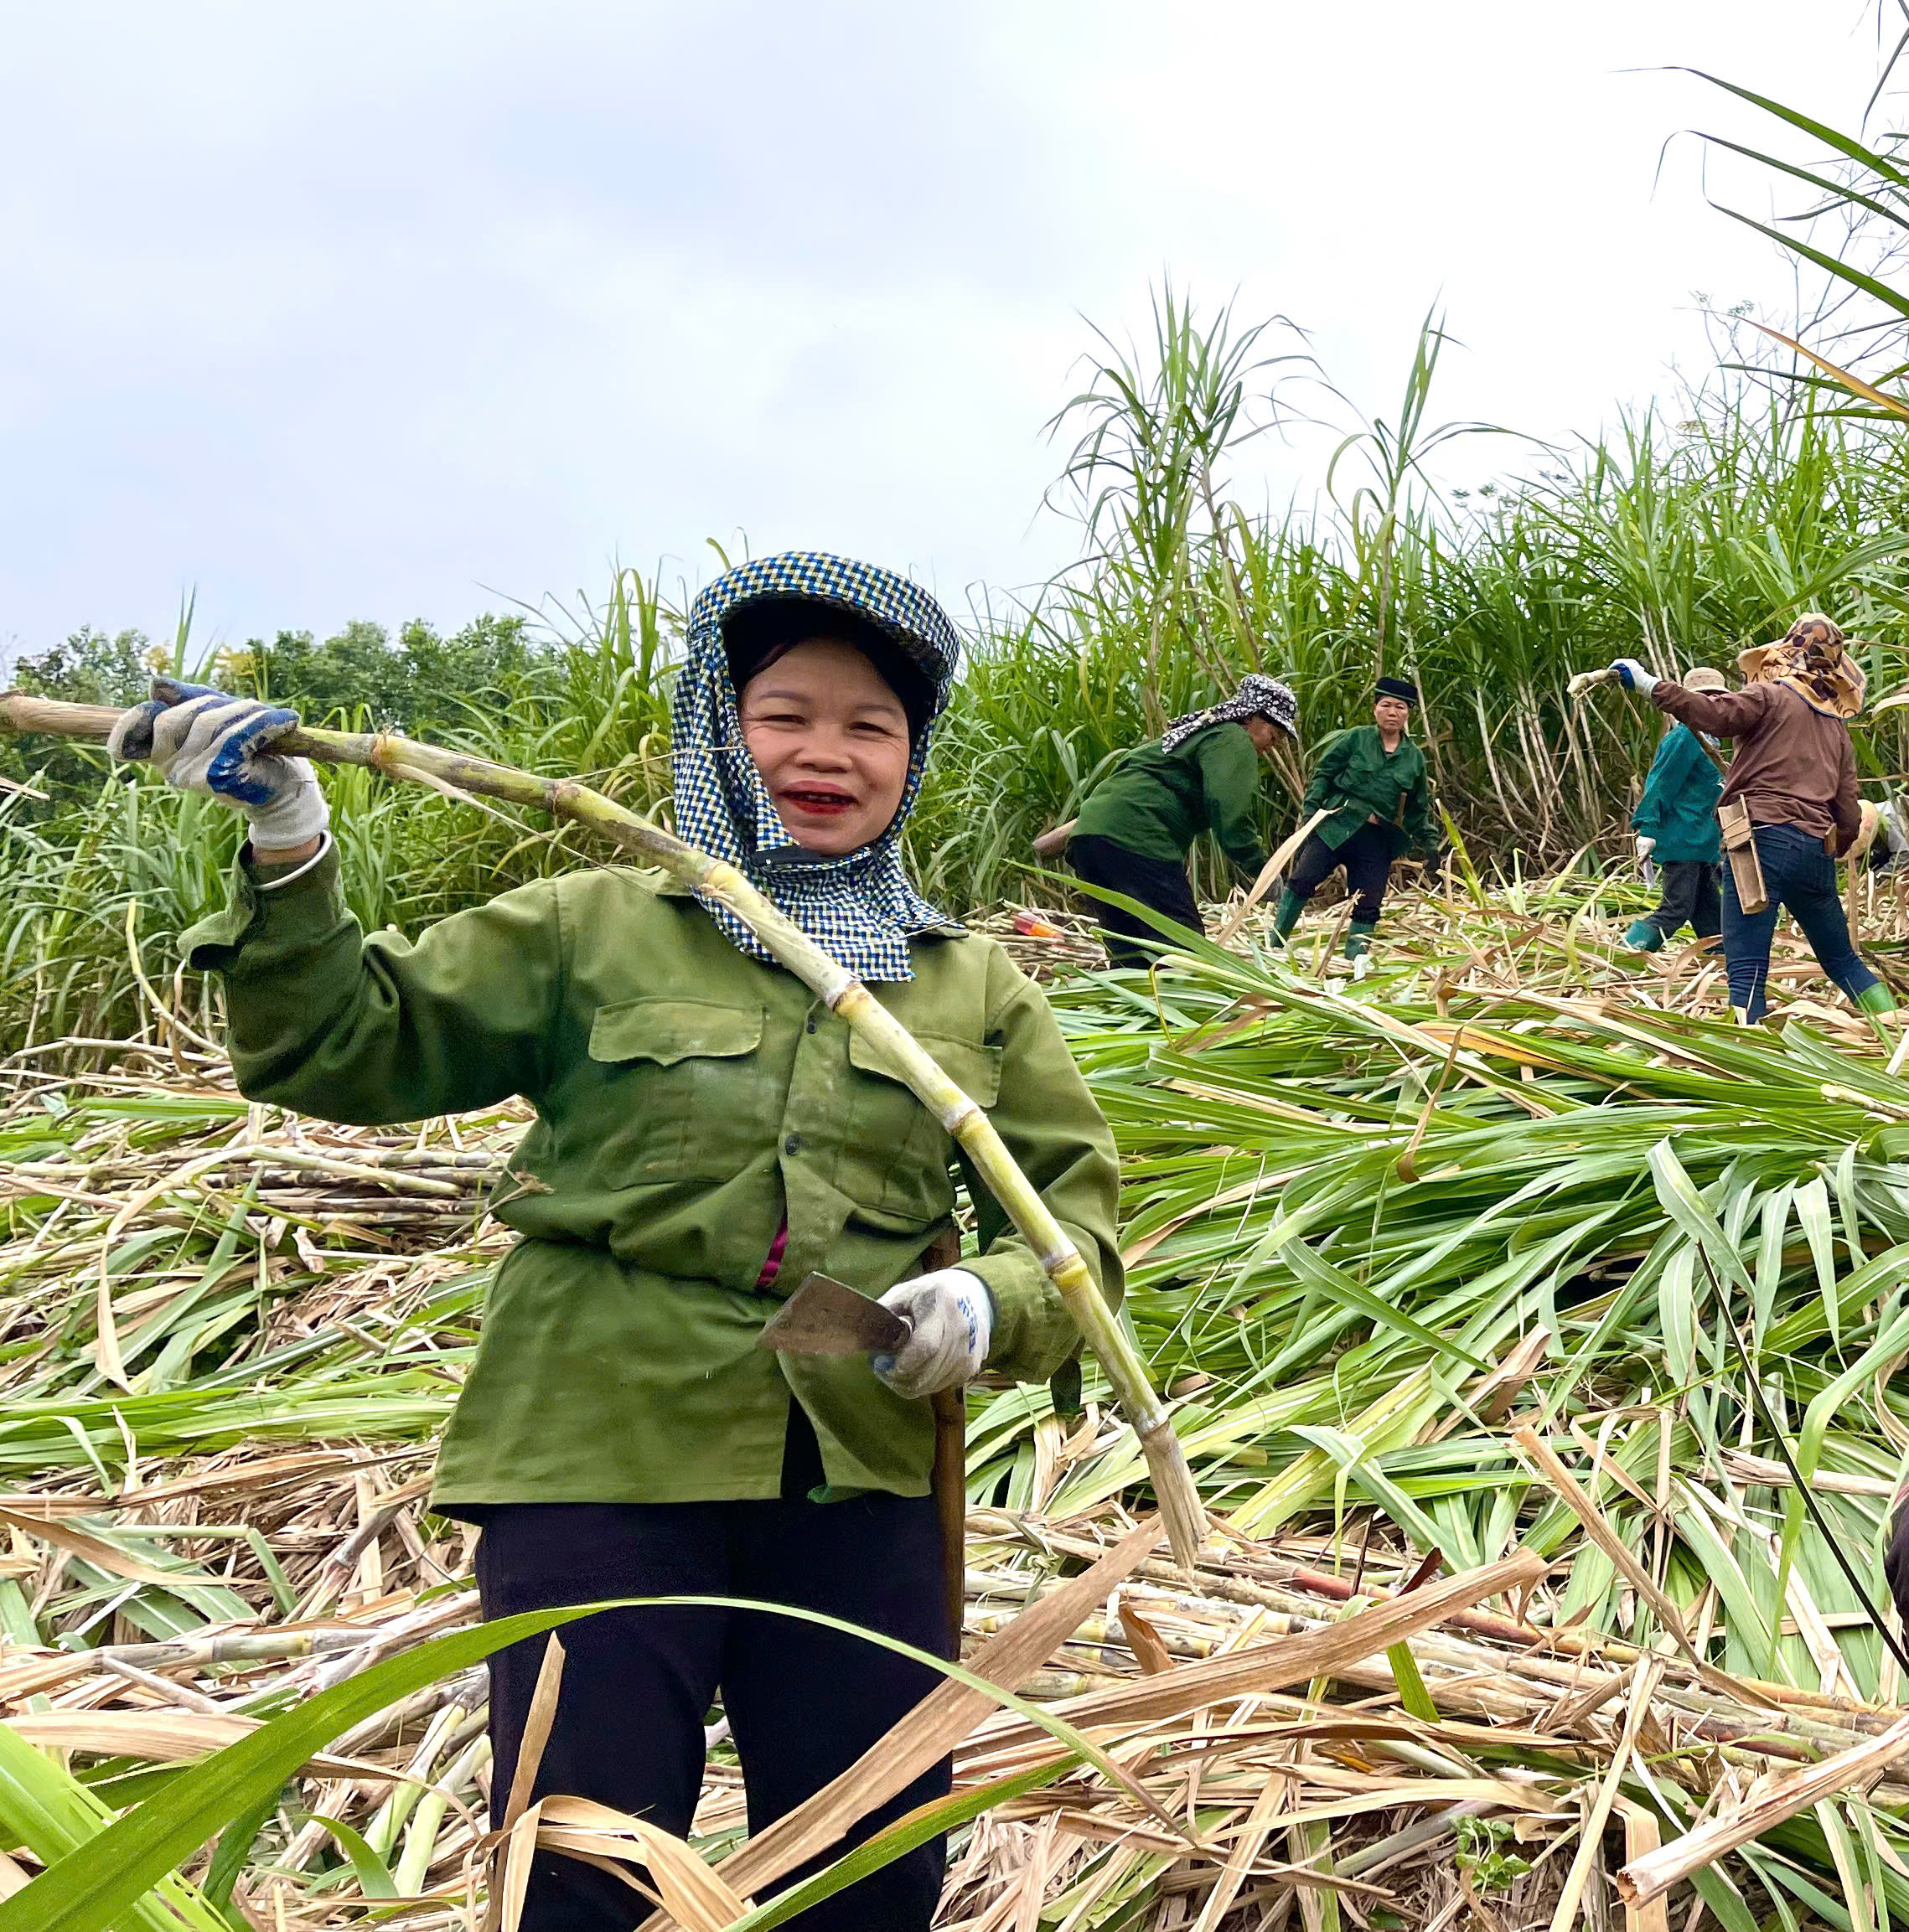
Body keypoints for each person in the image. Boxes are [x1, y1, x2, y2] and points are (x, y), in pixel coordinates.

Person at [109, 553, 1123, 1932]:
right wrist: (292, 847)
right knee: (587, 1865)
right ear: (718, 722)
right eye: (785, 715)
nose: (825, 753)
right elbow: (341, 1048)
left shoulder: (968, 979)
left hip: (860, 1468)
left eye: (869, 725)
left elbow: (1072, 1224)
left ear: (911, 755)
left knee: (870, 1861)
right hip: (597, 1443)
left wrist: (993, 1302)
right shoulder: (595, 929)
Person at [1609, 613, 1895, 1025]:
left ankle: (1750, 1062)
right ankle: (1894, 1034)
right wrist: (1832, 849)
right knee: (1842, 960)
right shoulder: (1836, 729)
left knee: (1746, 969)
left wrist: (1649, 684)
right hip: (1814, 853)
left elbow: (1715, 718)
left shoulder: (1770, 696)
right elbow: (1848, 814)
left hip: (1760, 844)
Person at [1068, 673, 1300, 968]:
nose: (1272, 746)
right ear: (1254, 717)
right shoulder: (1232, 738)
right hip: (1139, 838)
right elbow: (1229, 813)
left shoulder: (1190, 736)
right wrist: (1264, 871)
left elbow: (1126, 767)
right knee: (1183, 951)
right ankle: (1185, 1009)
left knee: (1131, 952)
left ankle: (1137, 1008)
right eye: (1274, 736)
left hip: (1089, 839)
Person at [1275, 675, 1436, 958]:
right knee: (1301, 881)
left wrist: (1431, 846)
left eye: (1400, 707)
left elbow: (1418, 810)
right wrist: (1310, 815)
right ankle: (1273, 947)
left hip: (1376, 839)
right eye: (1386, 705)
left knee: (1368, 904)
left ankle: (1354, 966)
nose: (1392, 712)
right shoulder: (1355, 739)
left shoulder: (1414, 759)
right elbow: (1323, 775)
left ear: (1408, 713)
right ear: (1375, 709)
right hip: (1335, 826)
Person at [1624, 665, 1726, 953]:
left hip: (1701, 842)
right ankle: (1626, 957)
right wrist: (1647, 828)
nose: (1713, 704)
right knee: (1676, 908)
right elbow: (1661, 782)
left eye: (1718, 699)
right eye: (1707, 698)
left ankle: (1722, 963)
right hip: (1682, 840)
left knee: (1710, 913)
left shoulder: (1710, 741)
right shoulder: (1685, 738)